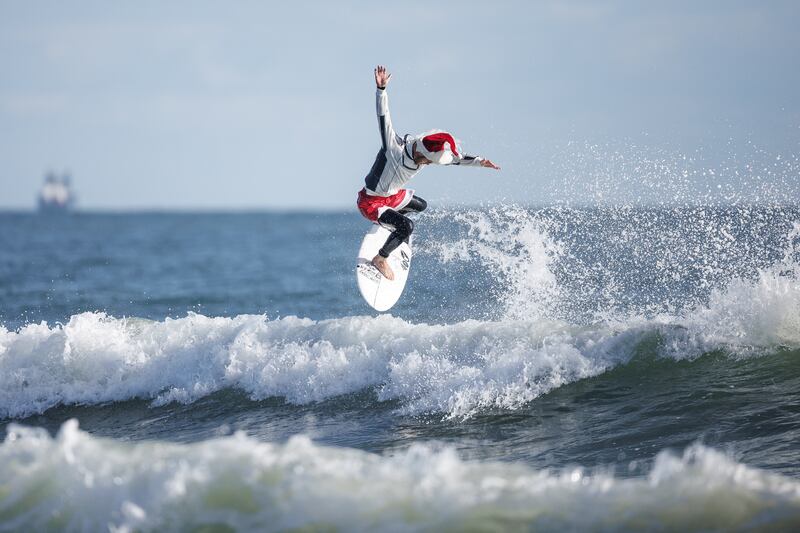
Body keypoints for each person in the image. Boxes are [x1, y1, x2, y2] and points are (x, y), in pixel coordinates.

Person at [357, 65, 500, 280]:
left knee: (420, 205)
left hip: (391, 197)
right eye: (429, 162)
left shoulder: (426, 153)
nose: (430, 165)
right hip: (371, 202)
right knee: (407, 226)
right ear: (423, 154)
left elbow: (457, 160)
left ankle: (391, 225)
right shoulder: (393, 147)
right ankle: (381, 258)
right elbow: (383, 116)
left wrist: (481, 162)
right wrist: (381, 89)